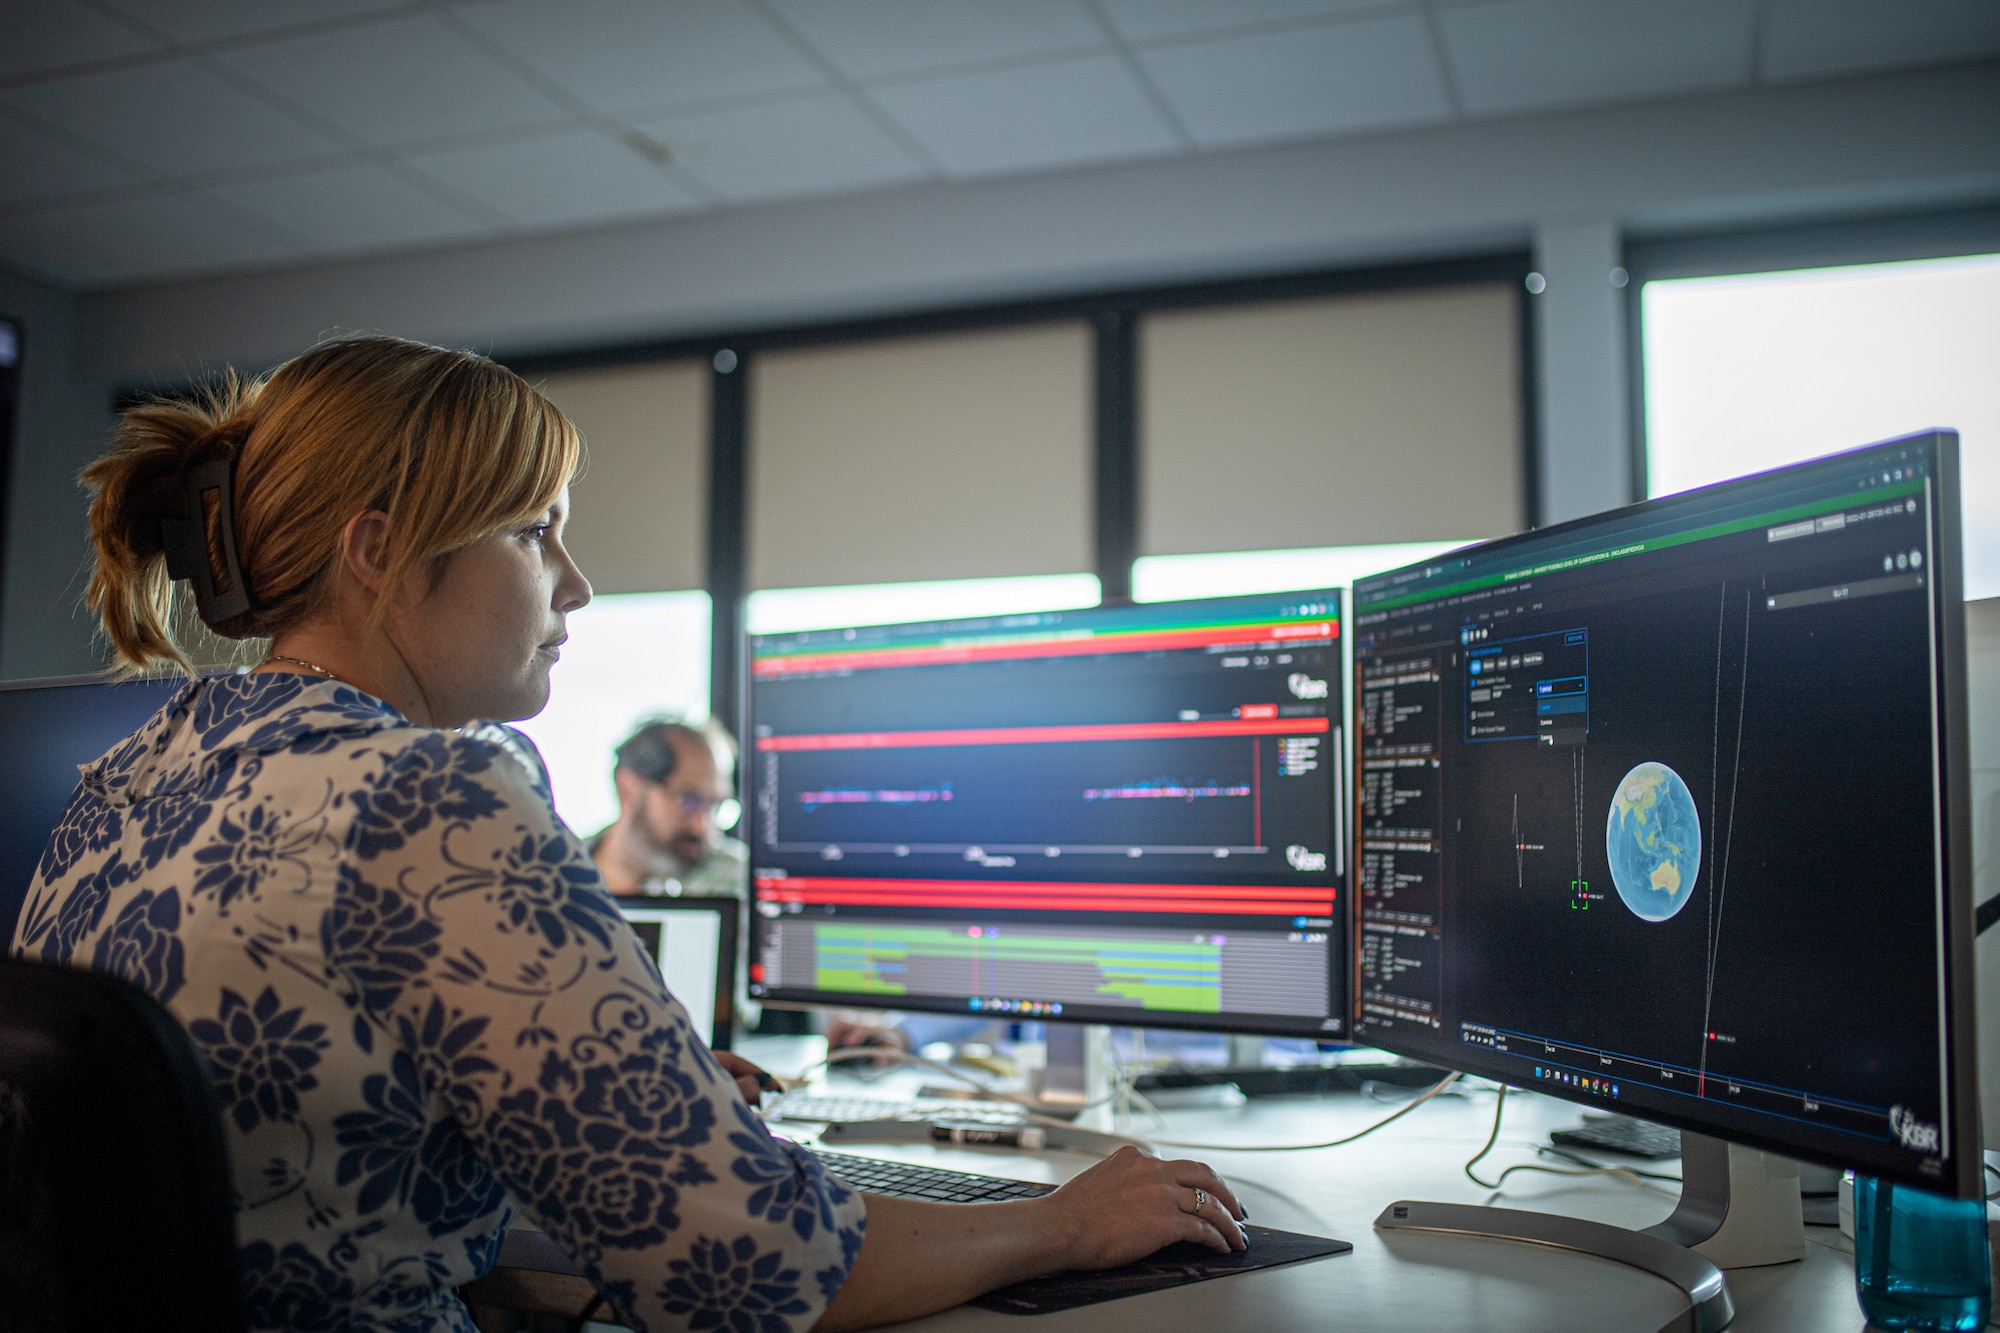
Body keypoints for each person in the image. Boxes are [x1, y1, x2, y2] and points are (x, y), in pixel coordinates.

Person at [10, 335, 1246, 1333]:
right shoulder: (433, 797)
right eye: (533, 529)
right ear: (381, 554)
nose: (575, 581)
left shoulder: (125, 777)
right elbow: (752, 1275)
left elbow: (288, 1118)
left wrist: (618, 1095)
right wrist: (1068, 1222)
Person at [589, 719, 745, 899]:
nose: (702, 826)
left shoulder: (738, 883)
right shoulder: (555, 869)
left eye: (715, 806)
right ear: (628, 789)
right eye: (689, 800)